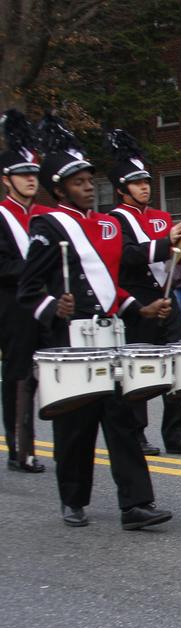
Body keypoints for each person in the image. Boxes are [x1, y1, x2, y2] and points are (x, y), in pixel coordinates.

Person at [18, 113, 173, 529]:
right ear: (58, 188)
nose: (88, 188)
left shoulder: (106, 225)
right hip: (69, 341)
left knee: (121, 420)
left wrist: (140, 308)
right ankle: (73, 498)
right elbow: (28, 290)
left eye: (89, 180)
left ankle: (136, 505)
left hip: (110, 336)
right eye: (78, 182)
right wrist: (54, 306)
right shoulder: (47, 226)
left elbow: (112, 287)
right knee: (76, 427)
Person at [106, 129, 181, 457]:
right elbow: (126, 256)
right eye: (137, 183)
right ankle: (136, 435)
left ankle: (176, 433)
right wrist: (167, 243)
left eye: (146, 181)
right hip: (139, 304)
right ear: (122, 189)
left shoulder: (163, 218)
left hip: (168, 301)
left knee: (177, 367)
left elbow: (180, 257)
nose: (145, 187)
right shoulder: (113, 221)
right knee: (141, 371)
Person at [0, 109, 44, 473]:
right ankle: (20, 447)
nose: (30, 179)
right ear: (6, 180)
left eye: (33, 174)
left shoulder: (45, 215)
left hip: (48, 302)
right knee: (19, 373)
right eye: (22, 174)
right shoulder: (1, 215)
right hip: (13, 304)